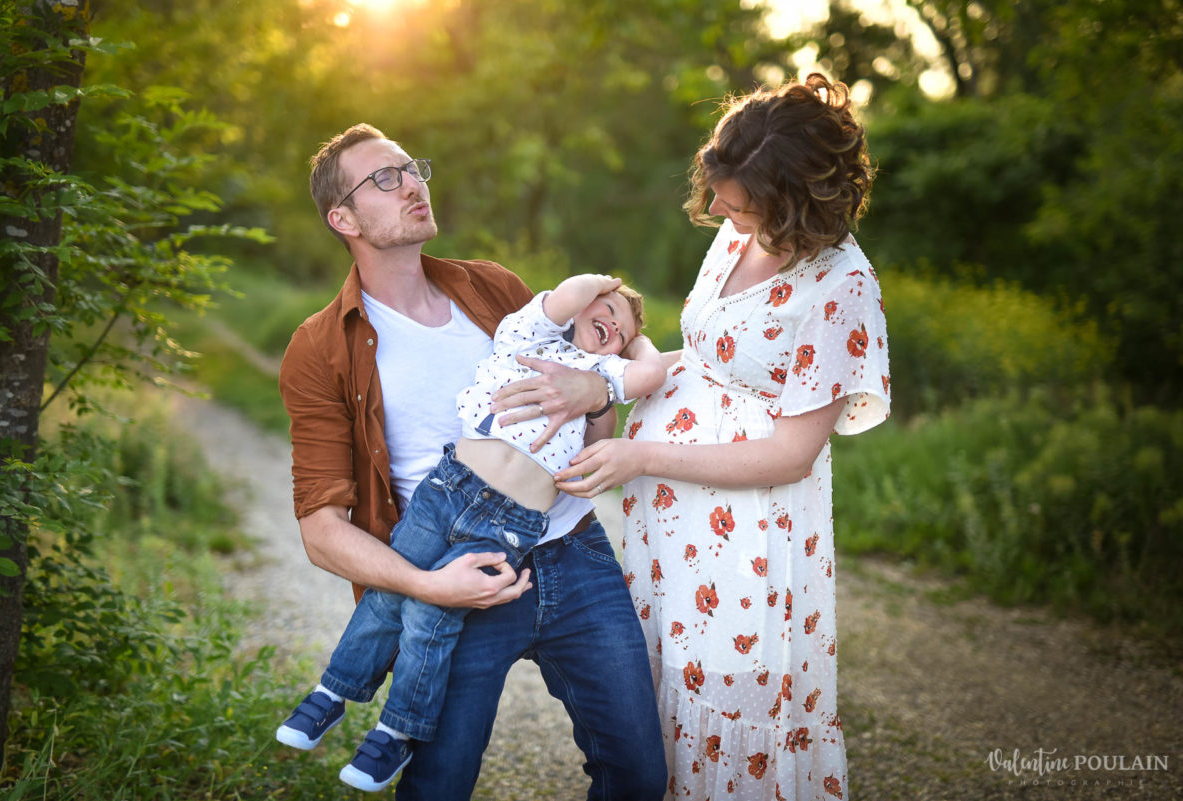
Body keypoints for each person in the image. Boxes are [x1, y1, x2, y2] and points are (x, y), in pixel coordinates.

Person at [278, 123, 667, 799]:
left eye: (413, 168)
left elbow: (598, 390)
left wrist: (598, 389)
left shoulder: (492, 288)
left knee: (639, 773)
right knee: (437, 783)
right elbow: (320, 529)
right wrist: (429, 588)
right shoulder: (321, 346)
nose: (414, 185)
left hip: (576, 556)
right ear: (343, 217)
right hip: (457, 572)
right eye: (386, 178)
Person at [553, 74, 891, 800]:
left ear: (794, 200)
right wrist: (608, 379)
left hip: (750, 536)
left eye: (733, 202)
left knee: (728, 699)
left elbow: (790, 452)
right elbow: (708, 359)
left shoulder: (843, 287)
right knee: (664, 685)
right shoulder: (737, 238)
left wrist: (638, 453)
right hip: (673, 522)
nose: (713, 211)